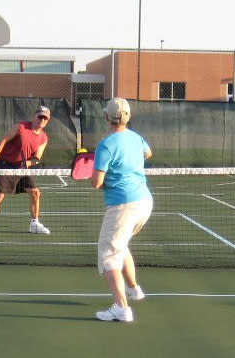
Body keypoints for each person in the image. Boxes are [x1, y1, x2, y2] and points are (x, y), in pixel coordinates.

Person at [91, 97, 153, 322]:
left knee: (109, 255)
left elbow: (97, 182)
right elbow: (148, 154)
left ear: (106, 117)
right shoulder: (137, 139)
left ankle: (121, 307)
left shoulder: (106, 145)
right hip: (144, 203)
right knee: (121, 245)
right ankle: (134, 289)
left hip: (123, 206)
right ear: (128, 117)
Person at [0, 106, 52, 236]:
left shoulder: (43, 138)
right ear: (34, 116)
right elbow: (3, 140)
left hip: (22, 168)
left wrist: (29, 162)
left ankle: (34, 224)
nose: (42, 120)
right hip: (5, 164)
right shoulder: (20, 127)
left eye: (45, 118)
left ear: (47, 121)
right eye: (40, 116)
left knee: (35, 193)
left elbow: (37, 158)